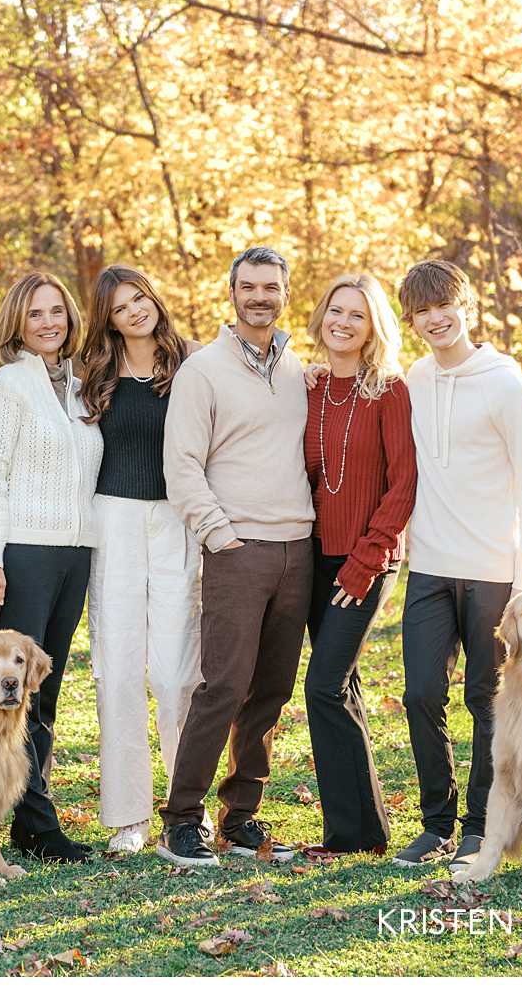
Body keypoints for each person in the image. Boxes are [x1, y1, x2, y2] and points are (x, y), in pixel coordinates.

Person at [389, 258, 522, 873]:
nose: (436, 319)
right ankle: (435, 823)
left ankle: (480, 826)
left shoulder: (505, 383)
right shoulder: (415, 378)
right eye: (423, 312)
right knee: (421, 693)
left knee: (486, 698)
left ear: (467, 306)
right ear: (413, 321)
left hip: (493, 573)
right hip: (430, 566)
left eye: (444, 306)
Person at [157, 245, 314, 868]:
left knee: (271, 691)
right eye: (248, 286)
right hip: (237, 550)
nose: (259, 296)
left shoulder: (298, 367)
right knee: (222, 685)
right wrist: (220, 534)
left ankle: (241, 817)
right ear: (232, 292)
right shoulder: (204, 370)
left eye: (270, 286)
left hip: (297, 549)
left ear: (284, 292)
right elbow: (182, 465)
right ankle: (183, 819)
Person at [0, 270, 104, 864]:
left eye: (57, 311)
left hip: (75, 554)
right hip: (23, 555)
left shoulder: (81, 386)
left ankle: (31, 816)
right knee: (12, 694)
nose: (49, 323)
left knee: (43, 691)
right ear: (18, 325)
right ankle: (30, 821)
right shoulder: (9, 384)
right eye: (35, 314)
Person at [78, 265, 204, 854]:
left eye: (141, 298)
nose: (135, 311)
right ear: (107, 318)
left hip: (176, 521)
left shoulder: (193, 364)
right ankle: (129, 815)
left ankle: (187, 810)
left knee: (177, 673)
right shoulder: (94, 375)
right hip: (114, 522)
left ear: (156, 299)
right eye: (120, 306)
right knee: (120, 670)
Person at [300, 274, 417, 859]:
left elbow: (403, 485)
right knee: (340, 685)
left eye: (357, 315)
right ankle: (365, 833)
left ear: (374, 328)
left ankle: (349, 836)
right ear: (322, 316)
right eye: (336, 311)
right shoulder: (311, 387)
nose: (342, 323)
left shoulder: (389, 391)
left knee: (320, 686)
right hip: (313, 557)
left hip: (364, 560)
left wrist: (365, 563)